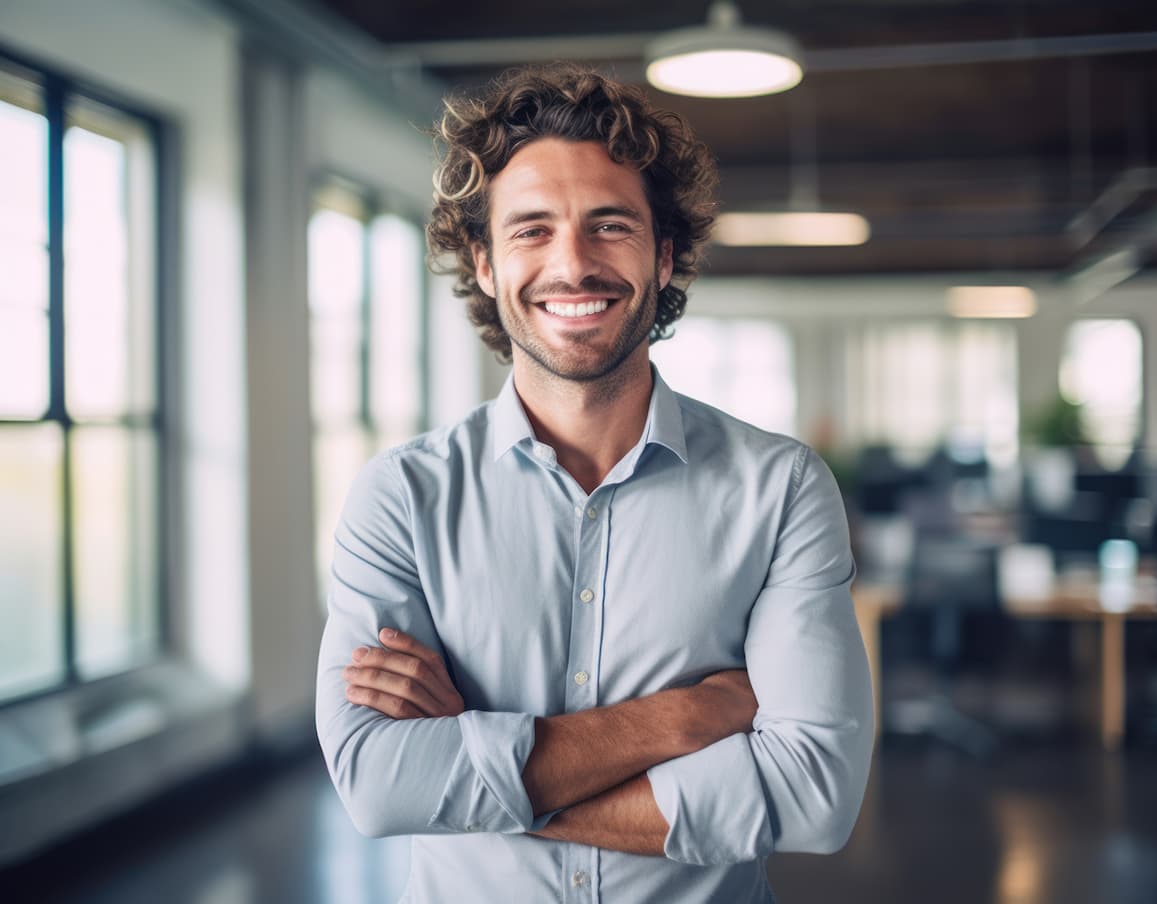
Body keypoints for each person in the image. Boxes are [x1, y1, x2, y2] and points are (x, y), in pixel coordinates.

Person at [315, 63, 873, 903]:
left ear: (665, 255)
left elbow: (815, 796)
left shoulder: (780, 488)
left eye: (609, 225)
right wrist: (684, 719)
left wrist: (472, 762)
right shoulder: (400, 498)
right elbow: (378, 784)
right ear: (486, 263)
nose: (572, 265)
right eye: (531, 230)